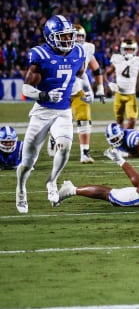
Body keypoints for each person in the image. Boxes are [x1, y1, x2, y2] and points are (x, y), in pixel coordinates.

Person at [16, 15, 89, 213]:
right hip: (42, 112)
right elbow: (25, 89)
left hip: (64, 111)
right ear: (50, 37)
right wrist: (44, 93)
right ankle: (21, 189)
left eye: (69, 36)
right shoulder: (40, 55)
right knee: (28, 161)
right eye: (62, 36)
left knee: (64, 148)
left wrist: (89, 90)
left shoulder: (78, 52)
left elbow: (81, 75)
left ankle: (52, 181)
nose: (68, 40)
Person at [70, 24, 106, 163]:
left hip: (77, 90)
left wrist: (96, 89)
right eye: (76, 36)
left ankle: (85, 153)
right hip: (60, 91)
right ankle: (54, 140)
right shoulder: (59, 50)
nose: (78, 39)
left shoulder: (87, 48)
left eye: (81, 36)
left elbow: (94, 70)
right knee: (60, 122)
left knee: (85, 119)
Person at [105, 38, 139, 129]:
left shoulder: (138, 61)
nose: (129, 51)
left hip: (131, 95)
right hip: (119, 95)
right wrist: (110, 83)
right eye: (127, 49)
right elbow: (106, 74)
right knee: (119, 121)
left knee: (132, 121)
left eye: (131, 49)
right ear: (122, 50)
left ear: (135, 50)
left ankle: (128, 137)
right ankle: (122, 140)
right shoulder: (117, 59)